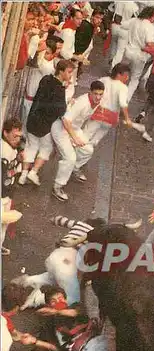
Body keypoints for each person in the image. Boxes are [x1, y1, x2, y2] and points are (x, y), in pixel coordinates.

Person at [21, 59, 74, 188]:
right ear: (61, 71)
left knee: (31, 146)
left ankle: (23, 175)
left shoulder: (45, 79)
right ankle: (33, 172)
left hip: (33, 118)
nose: (71, 75)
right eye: (69, 72)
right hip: (44, 124)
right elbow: (61, 110)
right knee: (46, 148)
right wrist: (69, 103)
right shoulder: (59, 89)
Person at [51, 80, 105, 202]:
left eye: (100, 94)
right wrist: (74, 138)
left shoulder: (97, 102)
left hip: (73, 129)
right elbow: (65, 120)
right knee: (69, 158)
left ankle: (74, 168)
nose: (98, 97)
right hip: (61, 129)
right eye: (95, 94)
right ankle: (57, 187)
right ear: (90, 92)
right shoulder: (82, 102)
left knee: (88, 150)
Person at [2, 283, 57, 351]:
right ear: (16, 308)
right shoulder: (4, 337)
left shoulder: (5, 321)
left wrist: (41, 343)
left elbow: (15, 335)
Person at [82, 63, 133, 150]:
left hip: (98, 113)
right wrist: (127, 118)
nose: (127, 78)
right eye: (126, 75)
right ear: (119, 75)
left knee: (86, 134)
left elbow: (92, 91)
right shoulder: (123, 88)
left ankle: (78, 151)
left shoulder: (104, 80)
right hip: (110, 118)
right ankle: (84, 156)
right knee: (96, 139)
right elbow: (123, 103)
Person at [20, 38, 58, 145]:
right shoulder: (44, 61)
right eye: (44, 52)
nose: (45, 55)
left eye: (47, 53)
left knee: (26, 128)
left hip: (32, 100)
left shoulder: (46, 66)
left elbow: (33, 62)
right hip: (28, 96)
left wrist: (37, 51)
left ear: (53, 55)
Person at [124, 6, 154, 101]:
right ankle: (125, 100)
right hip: (139, 55)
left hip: (127, 51)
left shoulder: (134, 21)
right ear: (152, 16)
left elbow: (123, 25)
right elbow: (149, 43)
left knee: (122, 74)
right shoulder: (150, 27)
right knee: (134, 79)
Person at [1, 118, 24, 255]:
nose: (17, 139)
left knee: (3, 226)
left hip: (8, 193)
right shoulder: (3, 152)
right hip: (2, 194)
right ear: (5, 133)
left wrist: (19, 160)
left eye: (19, 136)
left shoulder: (12, 148)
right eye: (14, 136)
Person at [74, 7, 104, 82]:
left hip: (79, 57)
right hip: (75, 56)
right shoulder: (85, 26)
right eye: (97, 17)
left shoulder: (91, 27)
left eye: (101, 19)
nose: (99, 20)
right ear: (92, 16)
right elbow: (79, 43)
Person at [107, 1, 139, 68]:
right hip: (125, 29)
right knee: (120, 51)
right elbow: (136, 19)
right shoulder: (134, 6)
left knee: (113, 46)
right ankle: (113, 68)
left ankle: (111, 61)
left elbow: (110, 8)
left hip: (115, 25)